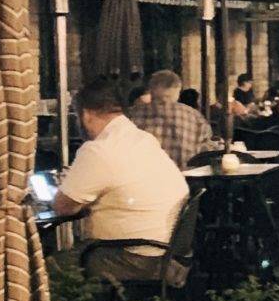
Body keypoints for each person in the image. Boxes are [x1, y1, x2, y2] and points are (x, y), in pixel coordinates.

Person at [50, 78, 188, 272]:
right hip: (164, 254)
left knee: (47, 266)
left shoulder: (100, 149)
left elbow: (63, 207)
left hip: (128, 257)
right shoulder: (144, 139)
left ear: (86, 115)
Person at [129, 68, 211, 168]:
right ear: (177, 91)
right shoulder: (196, 118)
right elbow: (204, 155)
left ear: (151, 90)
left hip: (142, 175)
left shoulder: (132, 115)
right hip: (182, 176)